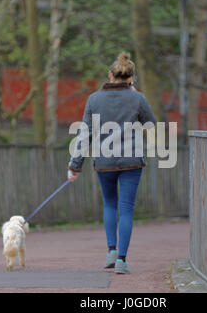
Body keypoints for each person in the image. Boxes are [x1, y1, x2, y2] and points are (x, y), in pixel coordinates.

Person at [67, 52, 156, 274]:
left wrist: (74, 166)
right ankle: (122, 261)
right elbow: (151, 126)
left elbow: (84, 133)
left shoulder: (94, 99)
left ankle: (111, 251)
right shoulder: (138, 98)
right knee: (126, 209)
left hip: (104, 162)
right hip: (131, 162)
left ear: (110, 74)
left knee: (109, 204)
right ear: (131, 78)